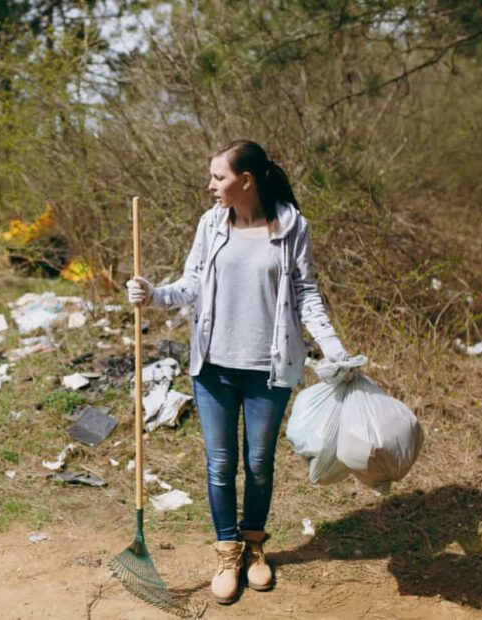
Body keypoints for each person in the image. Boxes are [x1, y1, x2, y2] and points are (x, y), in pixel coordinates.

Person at [126, 139, 349, 604]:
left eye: (218, 177)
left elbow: (306, 294)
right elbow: (189, 286)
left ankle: (254, 549)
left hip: (268, 371)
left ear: (245, 181)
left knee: (259, 465)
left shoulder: (290, 227)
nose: (210, 186)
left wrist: (332, 347)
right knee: (221, 465)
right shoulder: (210, 225)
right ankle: (228, 552)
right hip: (213, 368)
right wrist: (151, 292)